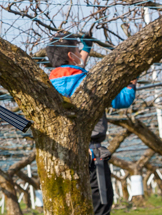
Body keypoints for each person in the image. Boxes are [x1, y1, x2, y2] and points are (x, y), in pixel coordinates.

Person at [45, 33, 136, 215]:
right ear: (72, 56)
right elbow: (122, 100)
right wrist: (131, 80)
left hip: (62, 154)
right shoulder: (91, 83)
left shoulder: (48, 84)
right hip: (92, 154)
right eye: (78, 50)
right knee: (101, 205)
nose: (80, 53)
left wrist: (86, 49)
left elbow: (72, 74)